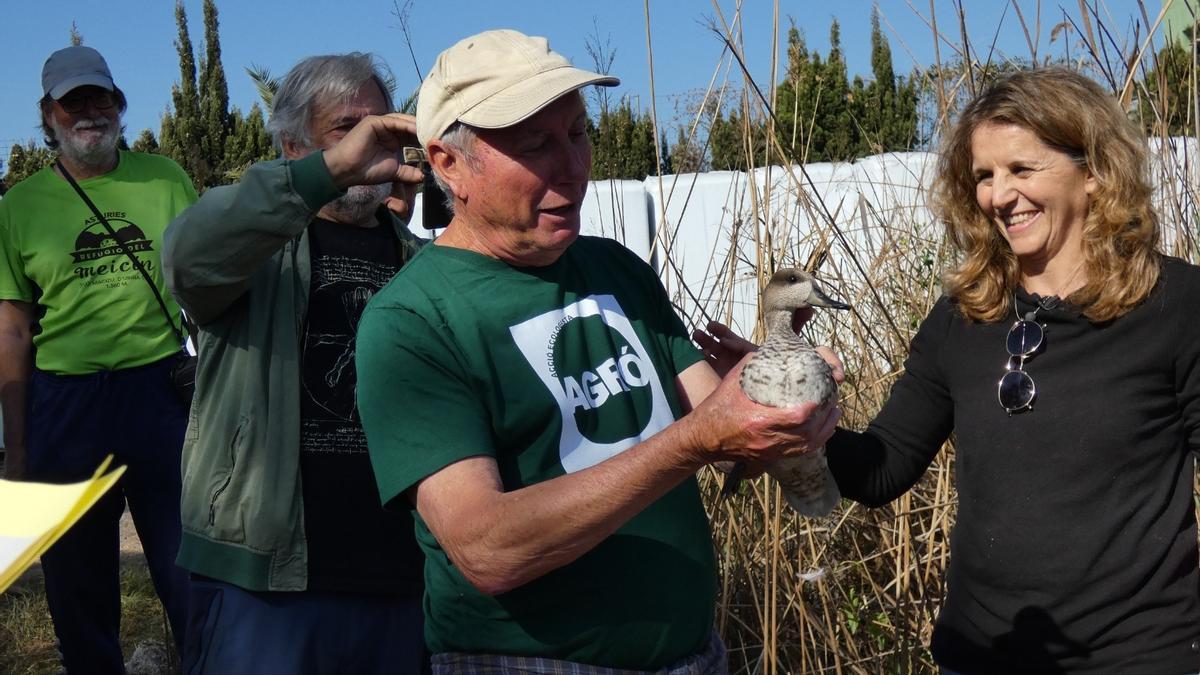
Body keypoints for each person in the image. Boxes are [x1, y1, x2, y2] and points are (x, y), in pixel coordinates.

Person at [355, 29, 839, 673]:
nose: (574, 166)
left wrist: (783, 400)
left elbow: (726, 433)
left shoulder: (616, 269)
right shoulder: (412, 323)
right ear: (447, 164)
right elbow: (486, 548)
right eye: (536, 145)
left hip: (694, 656)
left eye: (578, 135)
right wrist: (698, 439)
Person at [697, 67, 1200, 673]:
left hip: (1137, 656)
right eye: (984, 176)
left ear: (1093, 171)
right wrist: (782, 410)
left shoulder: (1176, 305)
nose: (998, 195)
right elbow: (883, 468)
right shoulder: (963, 317)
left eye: (1021, 169)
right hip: (979, 653)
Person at [161, 53, 427, 674]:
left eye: (380, 125)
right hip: (264, 585)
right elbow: (186, 258)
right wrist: (331, 173)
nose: (369, 141)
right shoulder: (256, 254)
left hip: (402, 578)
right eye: (345, 128)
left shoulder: (423, 264)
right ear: (291, 146)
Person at [0, 45, 195, 671]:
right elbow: (12, 330)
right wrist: (19, 450)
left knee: (190, 567)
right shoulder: (17, 208)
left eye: (99, 96)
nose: (89, 110)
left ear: (119, 103)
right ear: (49, 115)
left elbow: (207, 283)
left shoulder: (165, 177)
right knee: (77, 585)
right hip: (66, 402)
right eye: (72, 100)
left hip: (160, 392)